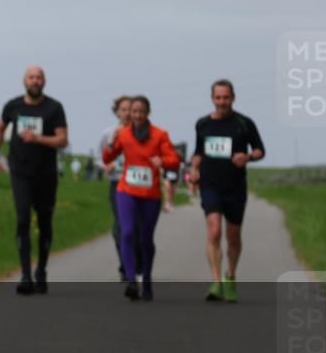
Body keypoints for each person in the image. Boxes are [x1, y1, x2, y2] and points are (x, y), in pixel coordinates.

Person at [0, 66, 68, 295]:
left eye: (39, 77)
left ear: (44, 81)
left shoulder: (54, 108)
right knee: (23, 219)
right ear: (24, 81)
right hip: (20, 172)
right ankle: (25, 275)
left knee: (44, 222)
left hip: (46, 174)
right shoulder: (14, 106)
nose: (35, 81)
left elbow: (62, 140)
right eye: (31, 77)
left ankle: (41, 271)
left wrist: (38, 138)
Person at [190, 79, 265, 303]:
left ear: (233, 97)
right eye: (218, 97)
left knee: (233, 236)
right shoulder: (202, 124)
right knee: (214, 232)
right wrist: (193, 169)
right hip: (210, 184)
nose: (222, 102)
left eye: (226, 97)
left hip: (235, 186)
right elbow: (198, 152)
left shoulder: (244, 123)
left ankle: (230, 275)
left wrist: (248, 157)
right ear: (212, 98)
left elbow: (261, 150)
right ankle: (216, 282)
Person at [103, 95, 179, 301]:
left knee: (145, 238)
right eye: (133, 111)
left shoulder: (160, 135)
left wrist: (161, 160)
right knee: (127, 233)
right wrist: (111, 143)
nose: (136, 115)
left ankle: (146, 277)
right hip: (126, 191)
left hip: (150, 195)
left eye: (140, 112)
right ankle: (130, 280)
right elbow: (108, 157)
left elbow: (174, 160)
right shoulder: (124, 134)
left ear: (148, 113)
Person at [99, 95, 141, 282]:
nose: (126, 113)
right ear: (117, 112)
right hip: (118, 183)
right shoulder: (108, 133)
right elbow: (99, 158)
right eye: (123, 109)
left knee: (136, 227)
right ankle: (125, 265)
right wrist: (105, 166)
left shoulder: (142, 132)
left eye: (130, 109)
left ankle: (137, 264)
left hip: (138, 184)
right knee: (120, 228)